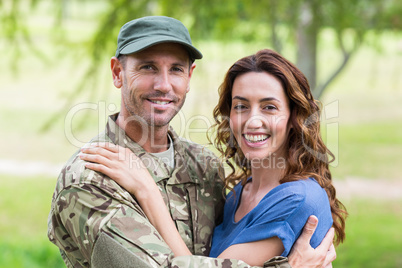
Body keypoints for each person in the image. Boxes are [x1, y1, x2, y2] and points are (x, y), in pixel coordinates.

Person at [48, 16, 337, 268]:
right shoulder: (92, 179)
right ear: (117, 73)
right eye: (148, 67)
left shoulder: (203, 167)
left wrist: (147, 189)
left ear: (189, 76)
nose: (163, 84)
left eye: (175, 69)